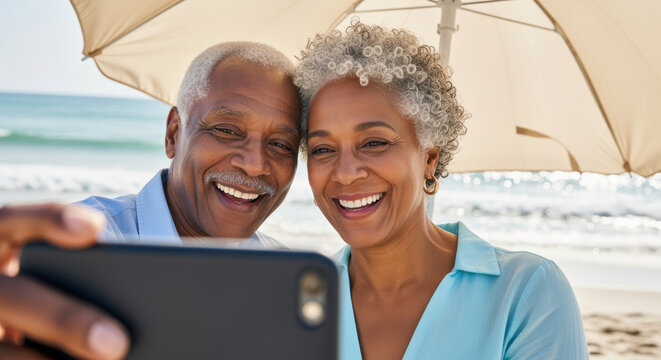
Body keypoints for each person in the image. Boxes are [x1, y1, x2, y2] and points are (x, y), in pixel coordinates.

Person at [294, 20, 590, 359]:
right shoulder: (296, 300)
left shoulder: (526, 292)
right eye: (322, 149)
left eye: (374, 143)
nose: (345, 173)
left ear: (429, 157)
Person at [0, 41, 301, 359]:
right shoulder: (83, 253)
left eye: (281, 144)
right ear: (173, 134)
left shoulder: (288, 282)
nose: (255, 164)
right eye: (226, 130)